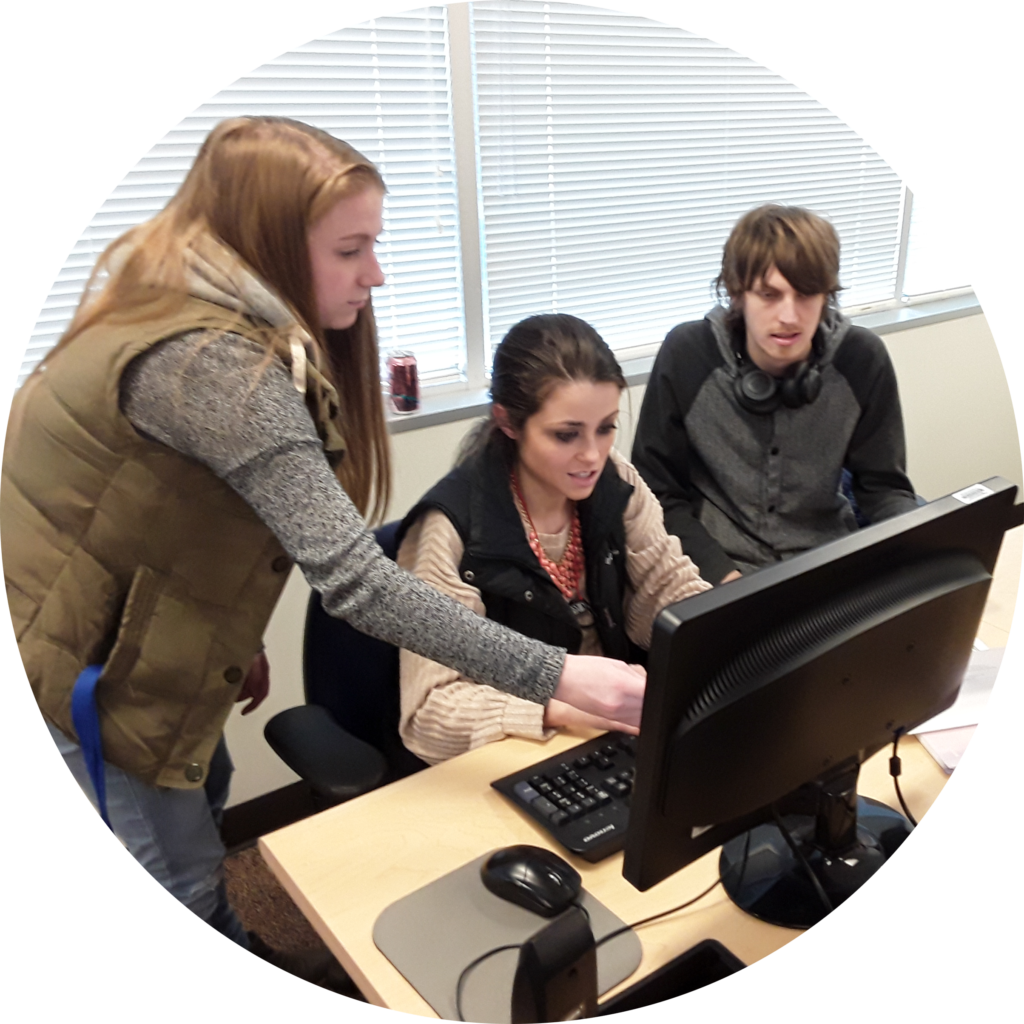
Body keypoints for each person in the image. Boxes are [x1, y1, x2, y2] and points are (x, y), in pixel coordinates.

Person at [1, 118, 645, 962]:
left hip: (149, 640)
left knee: (202, 813)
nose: (375, 274)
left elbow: (172, 509)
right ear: (265, 244)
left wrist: (227, 636)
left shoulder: (174, 306)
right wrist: (560, 674)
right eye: (352, 249)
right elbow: (359, 584)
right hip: (97, 679)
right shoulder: (216, 368)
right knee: (182, 893)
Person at [395, 314, 710, 764]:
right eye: (566, 435)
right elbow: (431, 714)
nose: (592, 455)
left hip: (611, 738)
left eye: (606, 427)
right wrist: (559, 707)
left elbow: (669, 591)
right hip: (516, 753)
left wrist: (718, 639)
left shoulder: (616, 479)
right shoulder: (449, 531)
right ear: (507, 421)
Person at [631, 203, 919, 586]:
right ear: (738, 295)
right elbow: (656, 491)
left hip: (827, 564)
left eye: (806, 295)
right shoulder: (687, 354)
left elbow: (883, 487)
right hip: (713, 573)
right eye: (769, 294)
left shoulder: (861, 359)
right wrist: (723, 578)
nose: (789, 316)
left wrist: (919, 551)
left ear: (826, 295)